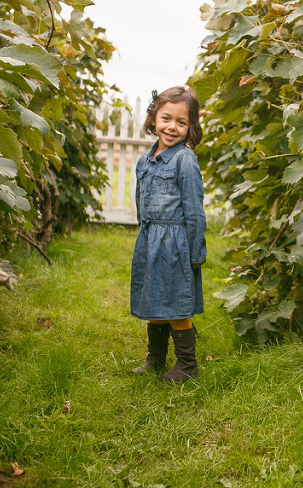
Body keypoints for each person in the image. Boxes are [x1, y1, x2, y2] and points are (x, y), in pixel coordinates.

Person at [129, 86, 205, 383]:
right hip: (151, 240)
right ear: (154, 119)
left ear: (190, 127)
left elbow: (194, 208)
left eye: (181, 122)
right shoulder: (145, 161)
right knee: (155, 298)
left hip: (175, 244)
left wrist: (196, 252)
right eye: (166, 118)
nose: (172, 127)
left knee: (174, 303)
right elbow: (140, 200)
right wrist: (144, 235)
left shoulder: (184, 160)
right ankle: (156, 358)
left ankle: (187, 365)